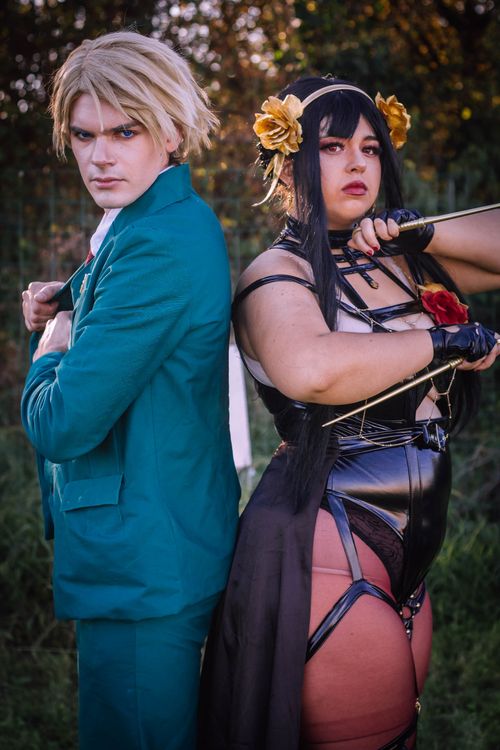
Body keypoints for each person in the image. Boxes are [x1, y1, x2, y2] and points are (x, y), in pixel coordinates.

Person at [198, 76, 500, 750]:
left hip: (410, 556)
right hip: (332, 539)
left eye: (369, 147)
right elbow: (312, 366)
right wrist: (444, 341)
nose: (357, 162)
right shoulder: (275, 273)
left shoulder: (399, 261)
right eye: (332, 147)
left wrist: (424, 233)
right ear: (287, 166)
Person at [20, 30, 240, 750]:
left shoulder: (158, 241)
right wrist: (67, 298)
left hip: (145, 560)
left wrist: (49, 348)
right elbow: (115, 300)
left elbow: (60, 424)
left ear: (170, 132)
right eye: (84, 135)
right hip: (152, 546)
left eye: (125, 131)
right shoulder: (146, 221)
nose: (99, 156)